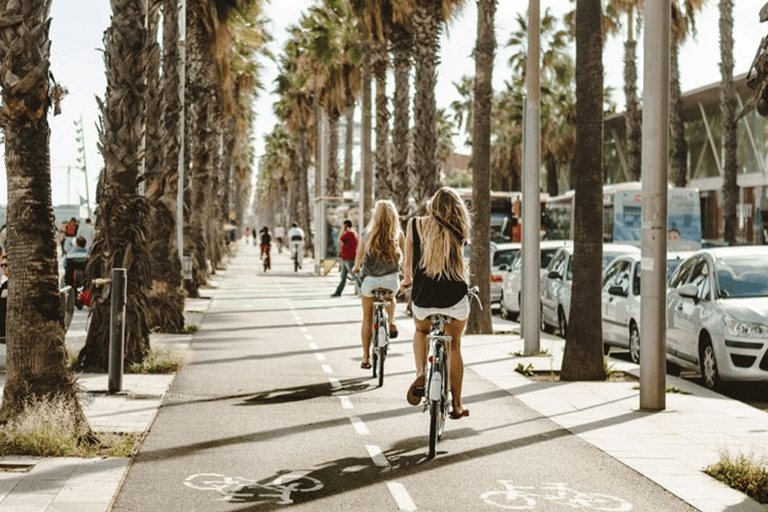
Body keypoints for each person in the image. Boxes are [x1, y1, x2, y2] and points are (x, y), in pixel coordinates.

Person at [400, 187, 471, 419]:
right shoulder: (460, 229)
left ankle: (421, 371)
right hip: (455, 298)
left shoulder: (414, 225)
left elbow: (408, 264)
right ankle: (457, 405)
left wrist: (407, 280)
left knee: (421, 331)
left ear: (431, 204)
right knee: (454, 346)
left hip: (424, 298)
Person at [352, 200, 404, 369]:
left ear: (375, 215)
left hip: (370, 282)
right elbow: (404, 262)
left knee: (367, 317)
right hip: (391, 281)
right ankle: (391, 321)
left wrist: (355, 268)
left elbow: (359, 258)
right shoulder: (398, 234)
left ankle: (366, 358)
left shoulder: (367, 234)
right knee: (391, 296)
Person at [331, 220, 359, 297]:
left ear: (346, 226)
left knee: (354, 276)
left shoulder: (349, 233)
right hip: (346, 258)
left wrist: (342, 230)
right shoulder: (353, 233)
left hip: (348, 258)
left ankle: (363, 291)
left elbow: (340, 239)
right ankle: (338, 292)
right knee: (343, 276)